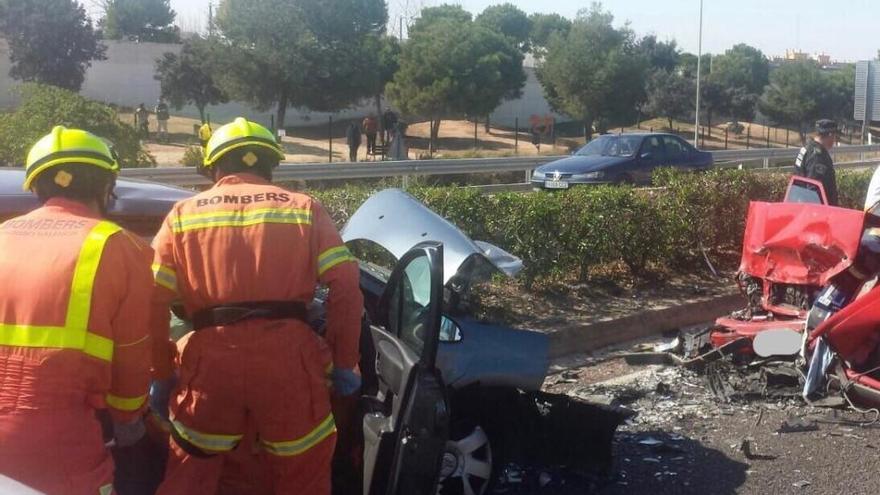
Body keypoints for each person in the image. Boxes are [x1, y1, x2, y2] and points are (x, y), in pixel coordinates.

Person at [152, 118, 364, 495]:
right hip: (290, 364)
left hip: (210, 366)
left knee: (190, 475)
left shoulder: (183, 215)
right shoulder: (305, 209)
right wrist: (344, 362)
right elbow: (346, 286)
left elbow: (150, 300)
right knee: (303, 475)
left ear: (214, 166)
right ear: (270, 164)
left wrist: (160, 369)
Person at [0, 126, 154, 494]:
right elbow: (132, 357)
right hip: (58, 438)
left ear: (36, 187)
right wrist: (129, 419)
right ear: (106, 186)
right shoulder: (119, 246)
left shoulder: (2, 235)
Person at [795, 119, 839, 205]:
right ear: (830, 135)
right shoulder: (818, 156)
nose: (835, 140)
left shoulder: (807, 148)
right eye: (835, 136)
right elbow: (814, 189)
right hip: (815, 211)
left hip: (799, 203)